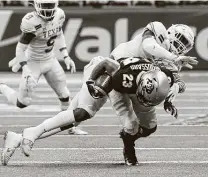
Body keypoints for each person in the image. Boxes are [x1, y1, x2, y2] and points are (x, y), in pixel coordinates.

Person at [1, 56, 174, 166]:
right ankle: (33, 132)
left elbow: (176, 78)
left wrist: (172, 94)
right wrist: (92, 82)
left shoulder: (163, 76)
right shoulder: (122, 77)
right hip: (102, 71)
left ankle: (19, 137)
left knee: (149, 126)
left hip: (130, 85)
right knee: (84, 112)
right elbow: (106, 64)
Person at [109, 22, 197, 165]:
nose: (182, 46)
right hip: (124, 77)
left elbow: (178, 80)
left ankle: (128, 138)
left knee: (150, 127)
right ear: (171, 33)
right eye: (182, 39)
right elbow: (148, 46)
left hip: (144, 89)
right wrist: (172, 57)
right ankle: (129, 149)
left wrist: (176, 87)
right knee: (127, 121)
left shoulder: (174, 61)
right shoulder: (157, 36)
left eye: (186, 45)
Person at [0, 0, 87, 135]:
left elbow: (58, 34)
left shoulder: (59, 15)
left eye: (50, 5)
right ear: (35, 5)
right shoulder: (31, 22)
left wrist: (65, 56)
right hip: (33, 62)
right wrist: (26, 68)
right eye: (44, 5)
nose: (47, 9)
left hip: (50, 59)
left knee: (65, 95)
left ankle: (70, 127)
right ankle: (2, 87)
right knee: (23, 102)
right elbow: (20, 49)